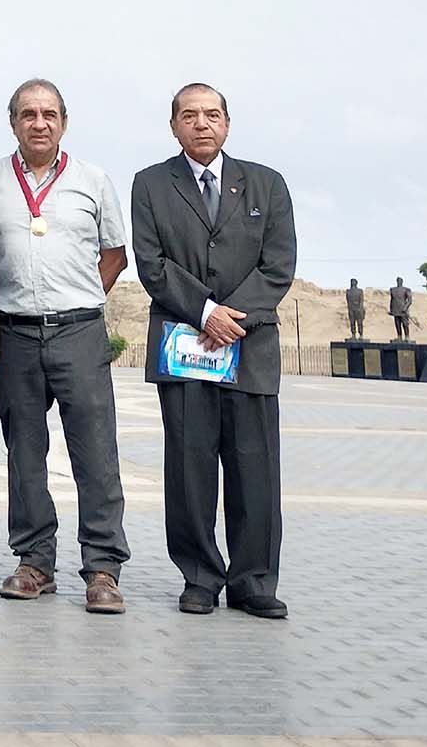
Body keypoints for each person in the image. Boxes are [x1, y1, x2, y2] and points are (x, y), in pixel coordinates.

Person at [131, 82, 296, 621]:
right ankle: (200, 577)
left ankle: (254, 581)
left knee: (255, 469)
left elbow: (278, 266)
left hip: (250, 348)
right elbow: (151, 263)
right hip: (185, 348)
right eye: (189, 115)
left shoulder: (267, 184)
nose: (201, 124)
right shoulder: (151, 184)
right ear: (173, 126)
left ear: (227, 123)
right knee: (189, 468)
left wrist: (231, 317)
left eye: (211, 115)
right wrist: (204, 313)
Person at [0, 79, 129, 614]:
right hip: (14, 332)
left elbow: (114, 253)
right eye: (28, 114)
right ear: (13, 122)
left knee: (96, 452)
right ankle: (35, 562)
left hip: (78, 331)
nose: (39, 123)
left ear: (64, 122)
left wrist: (80, 298)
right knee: (24, 452)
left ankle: (103, 568)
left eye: (49, 114)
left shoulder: (93, 180)